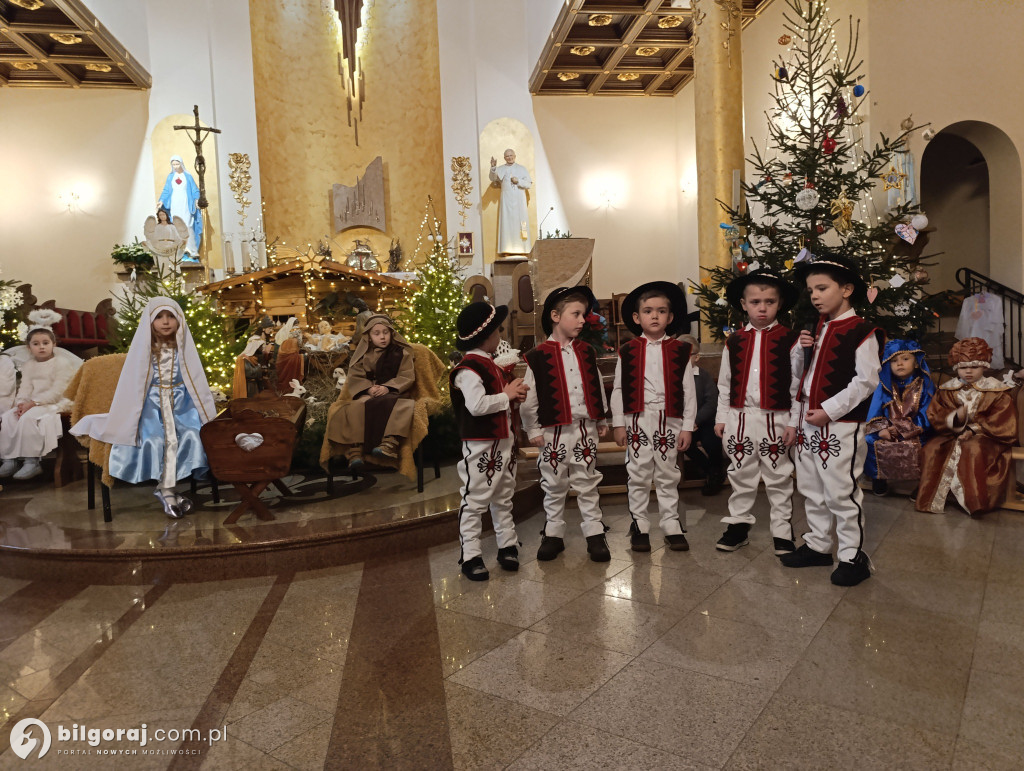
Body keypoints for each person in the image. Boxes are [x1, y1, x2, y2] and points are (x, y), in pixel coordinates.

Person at [783, 255, 882, 586]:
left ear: (847, 289)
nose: (814, 295)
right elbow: (803, 378)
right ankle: (818, 544)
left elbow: (866, 381)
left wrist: (830, 410)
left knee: (841, 491)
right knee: (811, 486)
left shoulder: (862, 330)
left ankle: (852, 555)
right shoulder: (817, 328)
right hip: (810, 423)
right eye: (811, 289)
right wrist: (801, 351)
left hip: (840, 425)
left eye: (822, 288)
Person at [70, 297, 216, 518]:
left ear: (179, 321)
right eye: (159, 317)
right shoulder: (144, 349)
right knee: (155, 440)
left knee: (193, 435)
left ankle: (168, 491)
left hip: (181, 405)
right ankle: (168, 492)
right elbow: (133, 384)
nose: (165, 322)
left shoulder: (184, 348)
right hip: (151, 406)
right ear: (150, 321)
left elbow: (194, 381)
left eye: (171, 317)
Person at [714, 269, 802, 555]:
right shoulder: (734, 341)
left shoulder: (790, 340)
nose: (762, 308)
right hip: (740, 417)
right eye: (755, 302)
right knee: (740, 473)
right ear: (743, 304)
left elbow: (798, 385)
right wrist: (721, 417)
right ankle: (738, 526)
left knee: (778, 475)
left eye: (769, 301)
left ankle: (782, 531)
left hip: (776, 417)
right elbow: (725, 383)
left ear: (779, 304)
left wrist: (793, 421)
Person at [521, 286, 611, 562]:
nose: (583, 320)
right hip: (553, 433)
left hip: (584, 429)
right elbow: (529, 396)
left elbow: (596, 384)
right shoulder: (538, 356)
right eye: (576, 314)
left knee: (587, 481)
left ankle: (595, 534)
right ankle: (554, 534)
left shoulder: (586, 352)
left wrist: (601, 417)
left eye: (584, 314)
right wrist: (533, 428)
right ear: (555, 316)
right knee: (554, 482)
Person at [610, 282, 695, 552]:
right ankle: (640, 523)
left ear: (670, 317)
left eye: (661, 311)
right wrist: (619, 423)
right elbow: (619, 388)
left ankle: (671, 523)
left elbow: (688, 390)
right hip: (638, 418)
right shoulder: (628, 350)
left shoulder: (680, 350)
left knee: (668, 472)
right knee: (639, 473)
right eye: (648, 311)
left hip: (669, 419)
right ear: (637, 318)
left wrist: (688, 427)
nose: (655, 316)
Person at [450, 301, 529, 580]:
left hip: (503, 443)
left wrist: (514, 397)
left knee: (503, 496)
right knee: (475, 500)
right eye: (498, 331)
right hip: (482, 445)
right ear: (486, 336)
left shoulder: (491, 364)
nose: (501, 336)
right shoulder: (468, 369)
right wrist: (506, 395)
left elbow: (501, 401)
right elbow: (477, 406)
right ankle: (470, 554)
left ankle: (507, 544)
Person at [916, 337, 1016, 516]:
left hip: (987, 436)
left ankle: (975, 502)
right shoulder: (948, 390)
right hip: (952, 434)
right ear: (956, 368)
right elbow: (935, 413)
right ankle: (930, 494)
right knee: (931, 448)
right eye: (962, 367)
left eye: (974, 366)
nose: (968, 371)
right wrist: (953, 420)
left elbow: (1002, 419)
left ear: (984, 366)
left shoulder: (997, 391)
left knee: (972, 449)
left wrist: (973, 429)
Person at [0, 311, 82, 480]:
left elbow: (59, 390)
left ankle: (32, 461)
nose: (41, 347)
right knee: (9, 417)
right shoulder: (30, 365)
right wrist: (21, 403)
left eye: (45, 343)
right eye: (36, 344)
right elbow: (25, 387)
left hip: (55, 402)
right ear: (29, 348)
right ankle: (9, 459)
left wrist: (34, 403)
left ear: (53, 344)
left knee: (29, 419)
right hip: (33, 403)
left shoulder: (61, 363)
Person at [326, 314, 415, 467]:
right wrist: (368, 389)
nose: (382, 337)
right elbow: (356, 376)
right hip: (371, 391)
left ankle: (389, 443)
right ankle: (356, 450)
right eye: (377, 333)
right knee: (355, 407)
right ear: (369, 336)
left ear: (391, 333)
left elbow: (406, 375)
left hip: (395, 391)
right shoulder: (364, 355)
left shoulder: (402, 353)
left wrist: (387, 387)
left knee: (404, 406)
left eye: (385, 332)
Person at [865, 340, 935, 496]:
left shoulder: (925, 384)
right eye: (894, 361)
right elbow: (874, 410)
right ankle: (879, 479)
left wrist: (903, 429)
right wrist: (882, 429)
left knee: (925, 446)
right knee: (871, 441)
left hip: (916, 430)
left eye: (905, 359)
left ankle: (921, 484)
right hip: (887, 429)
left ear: (916, 362)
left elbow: (928, 413)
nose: (899, 364)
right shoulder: (883, 385)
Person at [678, 334, 725, 496]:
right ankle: (709, 470)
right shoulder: (672, 377)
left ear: (696, 357)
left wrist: (696, 420)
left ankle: (716, 470)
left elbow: (712, 402)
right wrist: (686, 423)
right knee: (686, 445)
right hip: (683, 424)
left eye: (687, 355)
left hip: (703, 421)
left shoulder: (703, 376)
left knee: (712, 442)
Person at [489, 148, 533, 256]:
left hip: (519, 201)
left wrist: (518, 181)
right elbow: (493, 178)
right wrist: (493, 167)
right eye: (507, 156)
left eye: (511, 155)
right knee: (506, 223)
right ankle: (506, 249)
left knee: (520, 223)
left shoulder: (522, 169)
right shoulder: (501, 168)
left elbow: (529, 184)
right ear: (504, 158)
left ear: (515, 156)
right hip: (506, 200)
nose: (509, 157)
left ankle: (523, 249)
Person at [158, 155, 201, 258]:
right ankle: (178, 249)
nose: (176, 166)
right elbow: (166, 190)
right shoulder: (170, 177)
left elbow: (195, 190)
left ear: (181, 164)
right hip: (175, 203)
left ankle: (191, 249)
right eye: (173, 164)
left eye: (177, 164)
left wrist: (196, 200)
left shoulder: (188, 176)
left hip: (185, 203)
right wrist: (161, 201)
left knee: (188, 225)